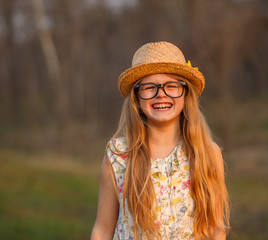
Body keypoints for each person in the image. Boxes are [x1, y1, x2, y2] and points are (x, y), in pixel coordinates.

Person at [91, 41, 230, 240]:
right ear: (137, 98)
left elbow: (215, 229)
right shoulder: (118, 155)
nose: (161, 94)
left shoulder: (206, 152)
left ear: (186, 93)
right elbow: (102, 230)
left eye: (172, 86)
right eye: (149, 87)